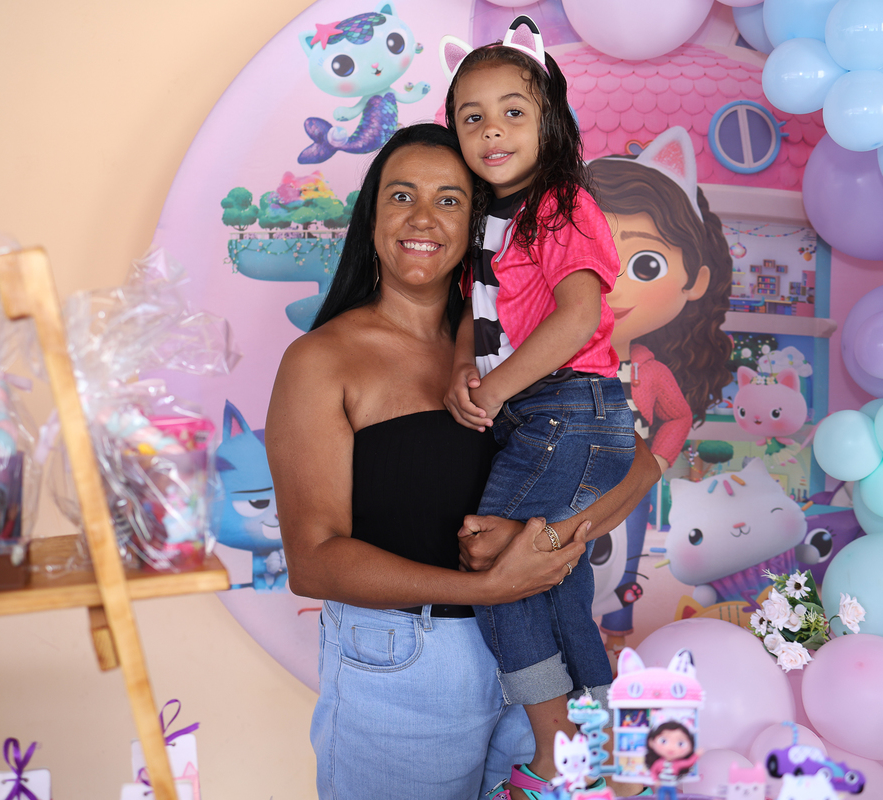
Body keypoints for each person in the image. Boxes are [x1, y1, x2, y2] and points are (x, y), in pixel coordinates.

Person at [266, 123, 659, 800]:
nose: (423, 218)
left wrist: (545, 543)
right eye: (401, 196)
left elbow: (639, 465)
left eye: (449, 200)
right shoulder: (322, 361)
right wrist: (488, 587)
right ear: (371, 218)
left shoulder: (519, 346)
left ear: (478, 225)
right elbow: (314, 561)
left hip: (536, 665)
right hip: (407, 670)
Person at [440, 18, 645, 798]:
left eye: (513, 112)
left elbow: (577, 315)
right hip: (553, 416)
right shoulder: (484, 220)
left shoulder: (559, 204)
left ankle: (558, 753)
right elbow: (479, 314)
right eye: (473, 116)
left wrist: (495, 390)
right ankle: (614, 750)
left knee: (497, 566)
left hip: (568, 410)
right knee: (558, 586)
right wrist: (464, 365)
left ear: (549, 122)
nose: (492, 130)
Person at [587, 135, 734, 652]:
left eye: (644, 265)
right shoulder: (555, 361)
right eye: (595, 260)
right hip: (565, 481)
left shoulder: (650, 371)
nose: (614, 285)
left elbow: (677, 417)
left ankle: (616, 638)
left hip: (631, 480)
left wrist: (656, 463)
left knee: (624, 558)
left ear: (695, 281)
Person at [644, 720, 702, 800]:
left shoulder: (678, 764)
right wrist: (656, 780)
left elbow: (689, 763)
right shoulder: (659, 763)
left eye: (680, 743)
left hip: (672, 786)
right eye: (663, 741)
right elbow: (653, 771)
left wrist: (696, 755)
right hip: (661, 785)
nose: (671, 747)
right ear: (651, 742)